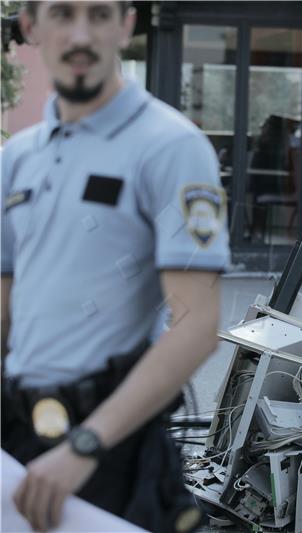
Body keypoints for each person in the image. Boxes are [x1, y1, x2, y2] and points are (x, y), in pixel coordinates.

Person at [0, 2, 229, 532]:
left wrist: (85, 446)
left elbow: (198, 324)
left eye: (100, 14)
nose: (81, 34)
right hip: (17, 437)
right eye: (62, 13)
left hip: (108, 450)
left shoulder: (172, 146)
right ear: (32, 27)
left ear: (126, 25)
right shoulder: (19, 157)